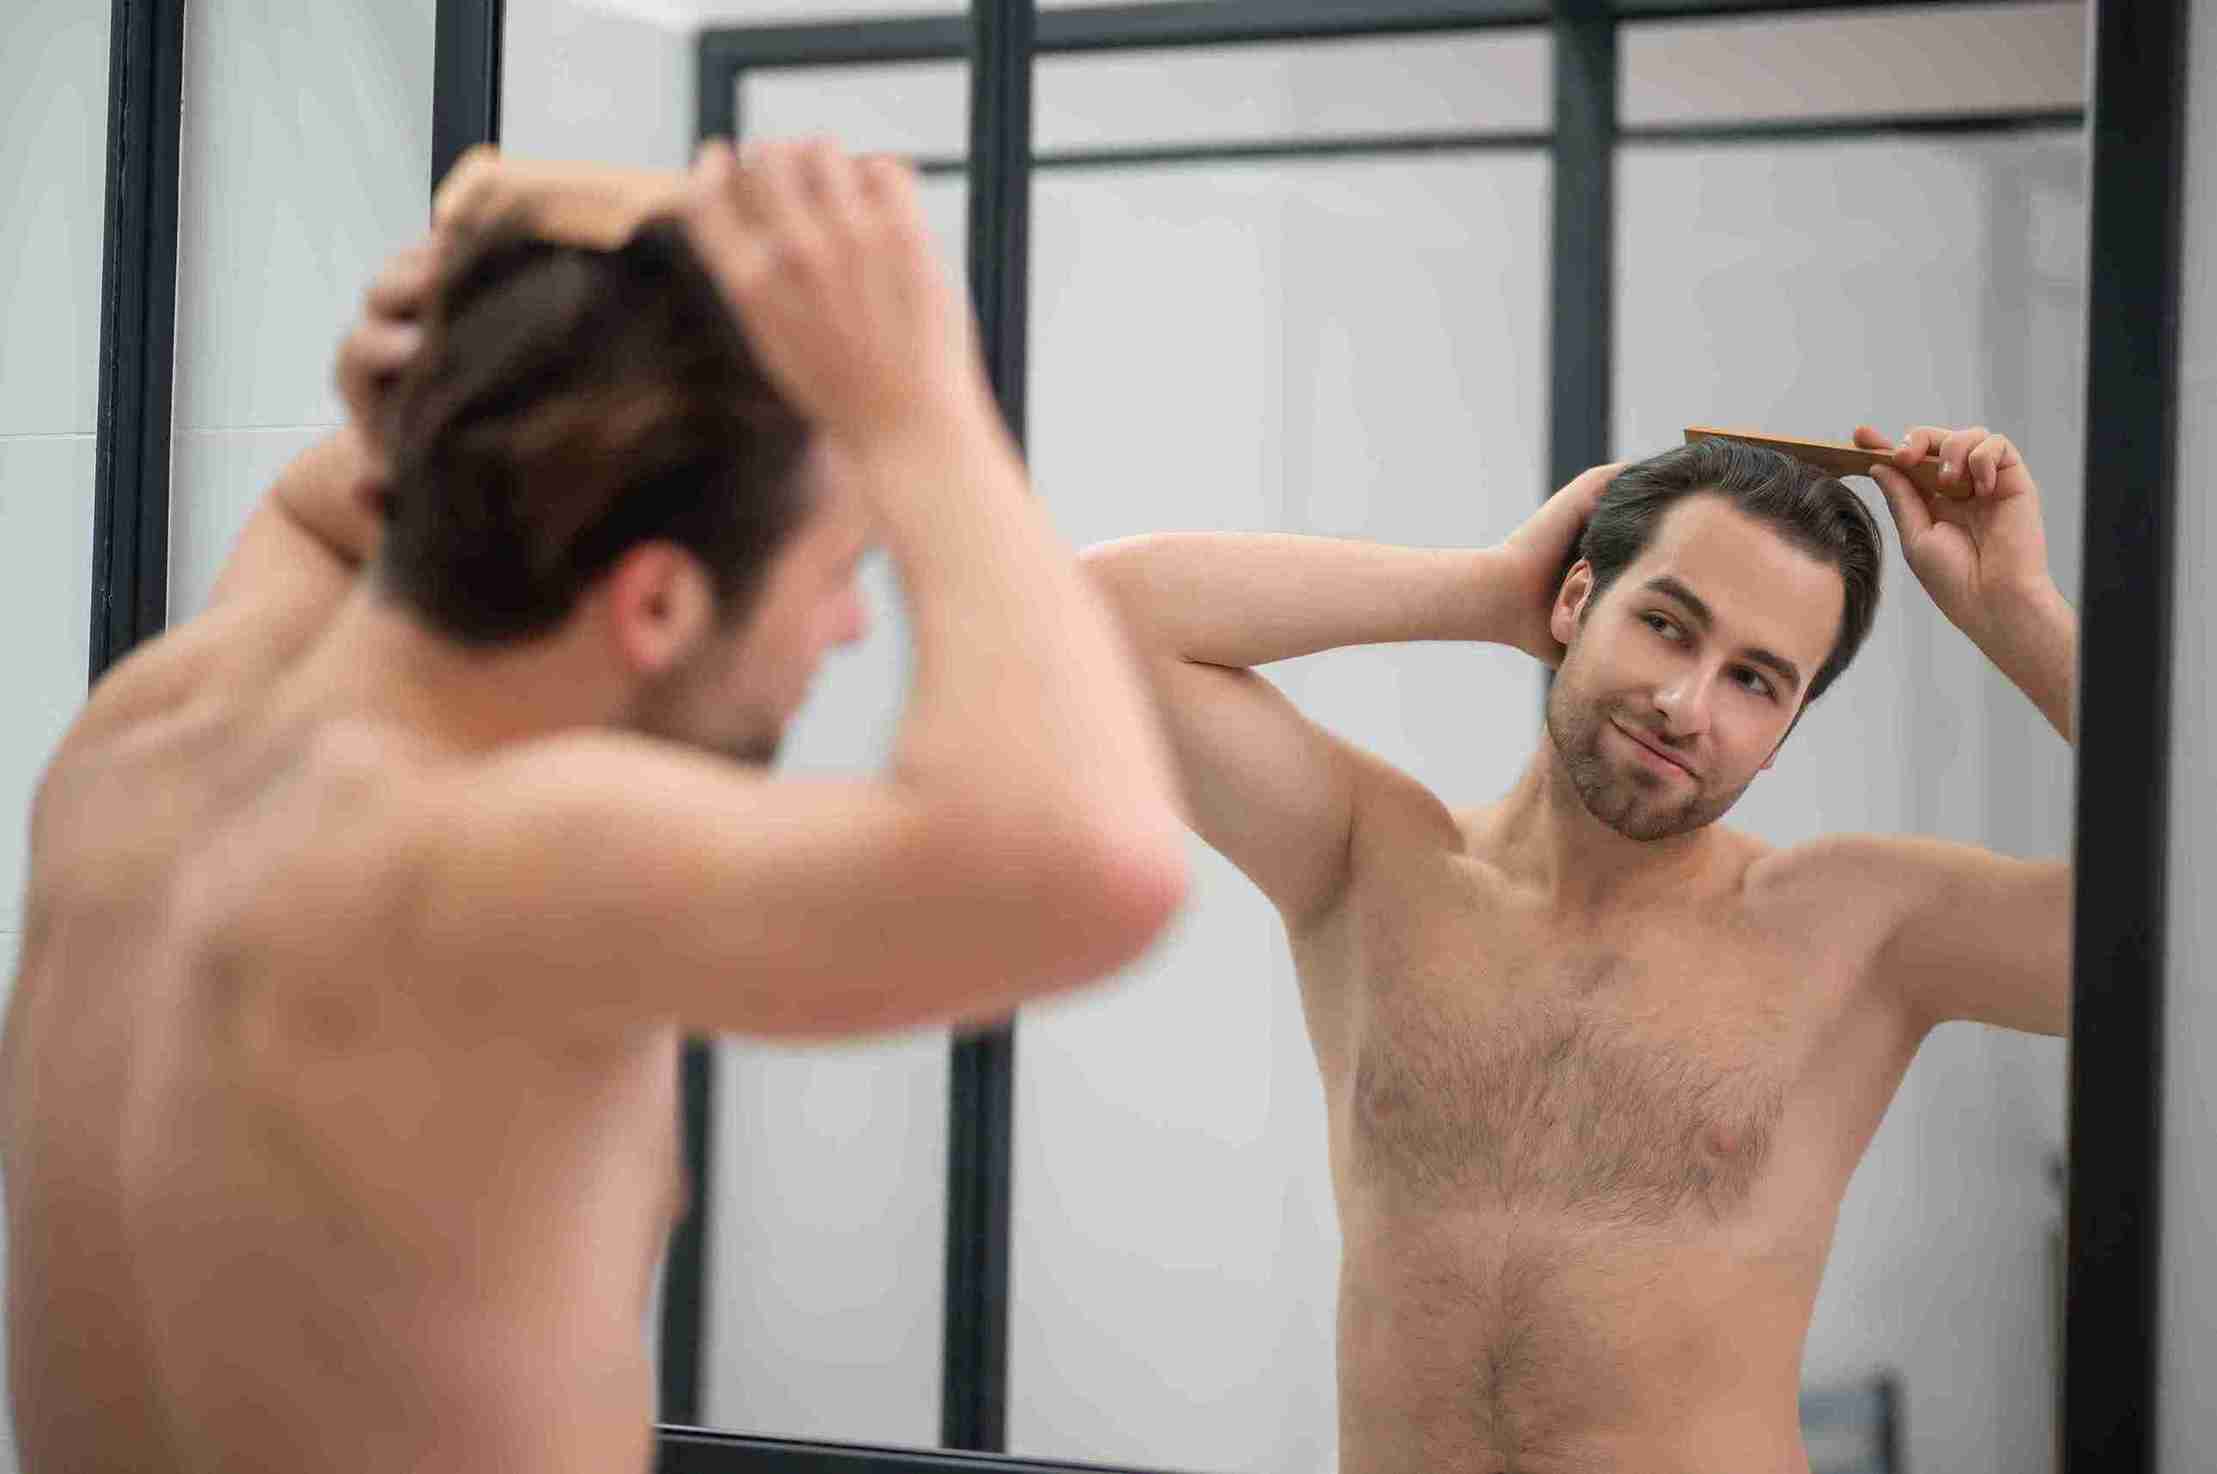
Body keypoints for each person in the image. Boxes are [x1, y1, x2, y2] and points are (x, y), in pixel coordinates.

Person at [1, 140, 1186, 1474]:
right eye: (843, 570)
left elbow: (331, 502)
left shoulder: (149, 736)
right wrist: (916, 412)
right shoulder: (485, 858)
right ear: (660, 602)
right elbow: (1092, 859)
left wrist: (486, 355)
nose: (854, 625)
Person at [1083, 428, 2076, 1473]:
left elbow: (2188, 917)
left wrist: (2019, 613)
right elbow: (1088, 621)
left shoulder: (1862, 931)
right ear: (1574, 603)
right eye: (1665, 624)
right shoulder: (1369, 859)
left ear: (1786, 728)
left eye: (1756, 682)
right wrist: (1484, 588)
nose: (1686, 706)